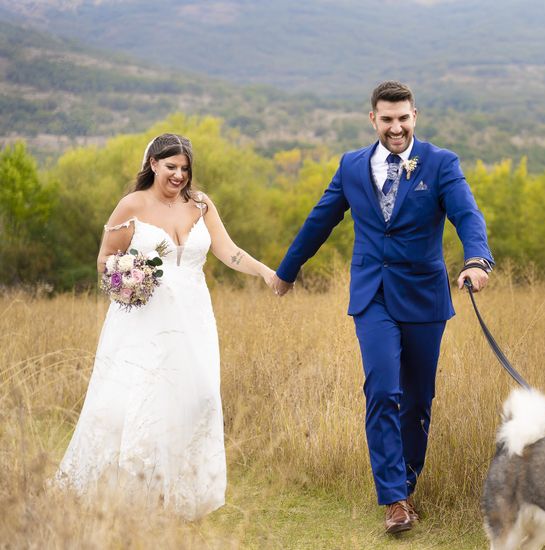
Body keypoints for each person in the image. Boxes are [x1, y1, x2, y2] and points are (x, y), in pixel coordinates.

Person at [271, 81, 494, 534]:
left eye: (403, 118)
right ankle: (393, 499)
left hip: (425, 299)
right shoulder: (352, 166)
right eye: (387, 119)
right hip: (372, 296)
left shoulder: (440, 163)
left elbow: (467, 215)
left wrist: (476, 259)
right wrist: (287, 271)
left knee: (417, 400)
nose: (396, 127)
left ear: (415, 116)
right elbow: (321, 218)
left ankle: (407, 486)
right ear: (373, 119)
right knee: (382, 391)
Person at [55, 133, 276, 520]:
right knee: (143, 397)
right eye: (171, 167)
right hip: (144, 317)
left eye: (185, 168)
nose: (178, 175)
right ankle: (136, 494)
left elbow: (228, 251)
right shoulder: (133, 205)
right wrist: (125, 281)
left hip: (193, 316)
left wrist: (264, 272)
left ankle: (184, 490)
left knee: (200, 395)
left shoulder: (202, 205)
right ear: (153, 164)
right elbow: (106, 258)